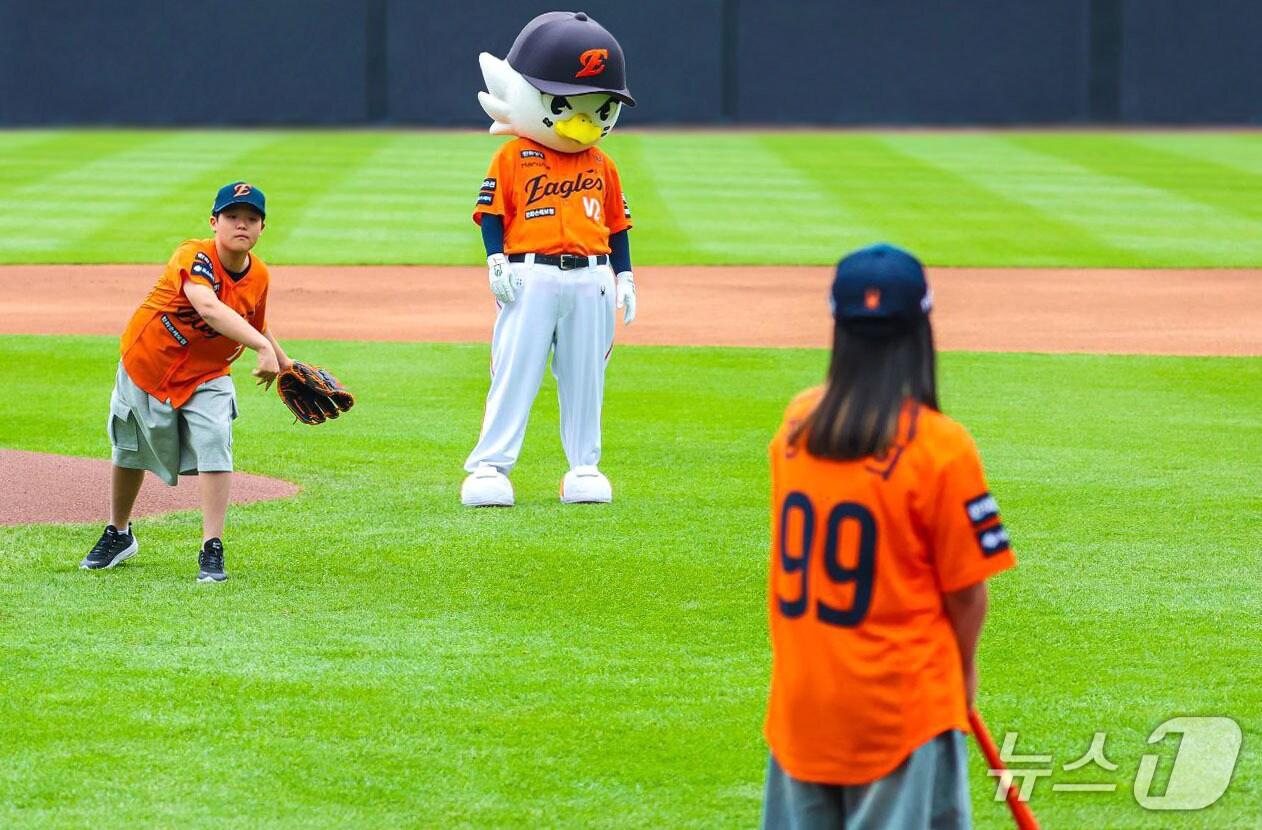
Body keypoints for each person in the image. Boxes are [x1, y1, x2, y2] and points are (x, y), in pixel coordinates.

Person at [761, 244, 1017, 829]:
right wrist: (964, 677)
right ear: (920, 330)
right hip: (901, 711)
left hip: (804, 704)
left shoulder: (796, 426)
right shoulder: (941, 447)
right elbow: (966, 593)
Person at [461, 10, 637, 507]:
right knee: (515, 369)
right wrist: (496, 260)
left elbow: (616, 226)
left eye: (602, 107)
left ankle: (584, 468)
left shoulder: (603, 164)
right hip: (529, 275)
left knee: (586, 377)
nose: (585, 119)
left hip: (591, 279)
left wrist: (625, 276)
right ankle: (490, 467)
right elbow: (493, 212)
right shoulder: (514, 156)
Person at [79, 181, 292, 583]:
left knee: (215, 440)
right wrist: (262, 348)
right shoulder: (193, 255)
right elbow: (209, 308)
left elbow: (254, 322)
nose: (241, 225)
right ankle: (118, 532)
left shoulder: (259, 275)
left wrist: (285, 361)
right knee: (129, 449)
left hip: (208, 374)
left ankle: (211, 546)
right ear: (214, 222)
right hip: (146, 364)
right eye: (232, 216)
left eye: (251, 218)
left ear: (263, 228)